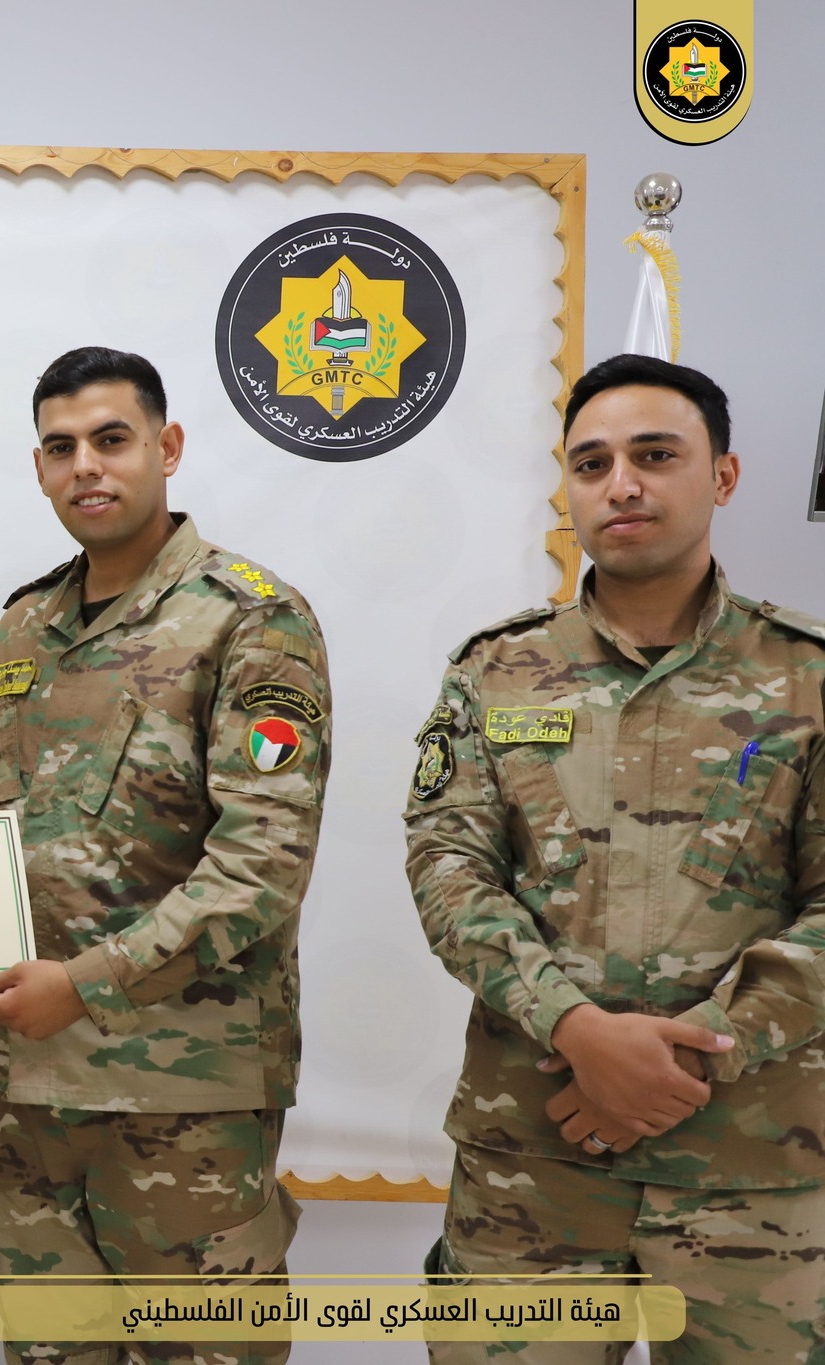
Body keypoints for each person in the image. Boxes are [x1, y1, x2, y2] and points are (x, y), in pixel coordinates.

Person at [0, 347, 330, 1365]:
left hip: (183, 1100)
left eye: (110, 439)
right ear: (39, 468)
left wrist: (84, 986)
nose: (85, 464)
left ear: (166, 448)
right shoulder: (22, 628)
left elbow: (261, 865)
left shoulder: (251, 618)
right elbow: (9, 809)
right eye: (60, 447)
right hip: (31, 1094)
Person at [403, 354, 825, 1363]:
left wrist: (689, 1055)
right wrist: (576, 1027)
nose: (620, 484)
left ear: (722, 475)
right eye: (590, 464)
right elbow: (447, 867)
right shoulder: (495, 670)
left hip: (750, 1170)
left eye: (654, 455)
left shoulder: (807, 676)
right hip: (532, 1160)